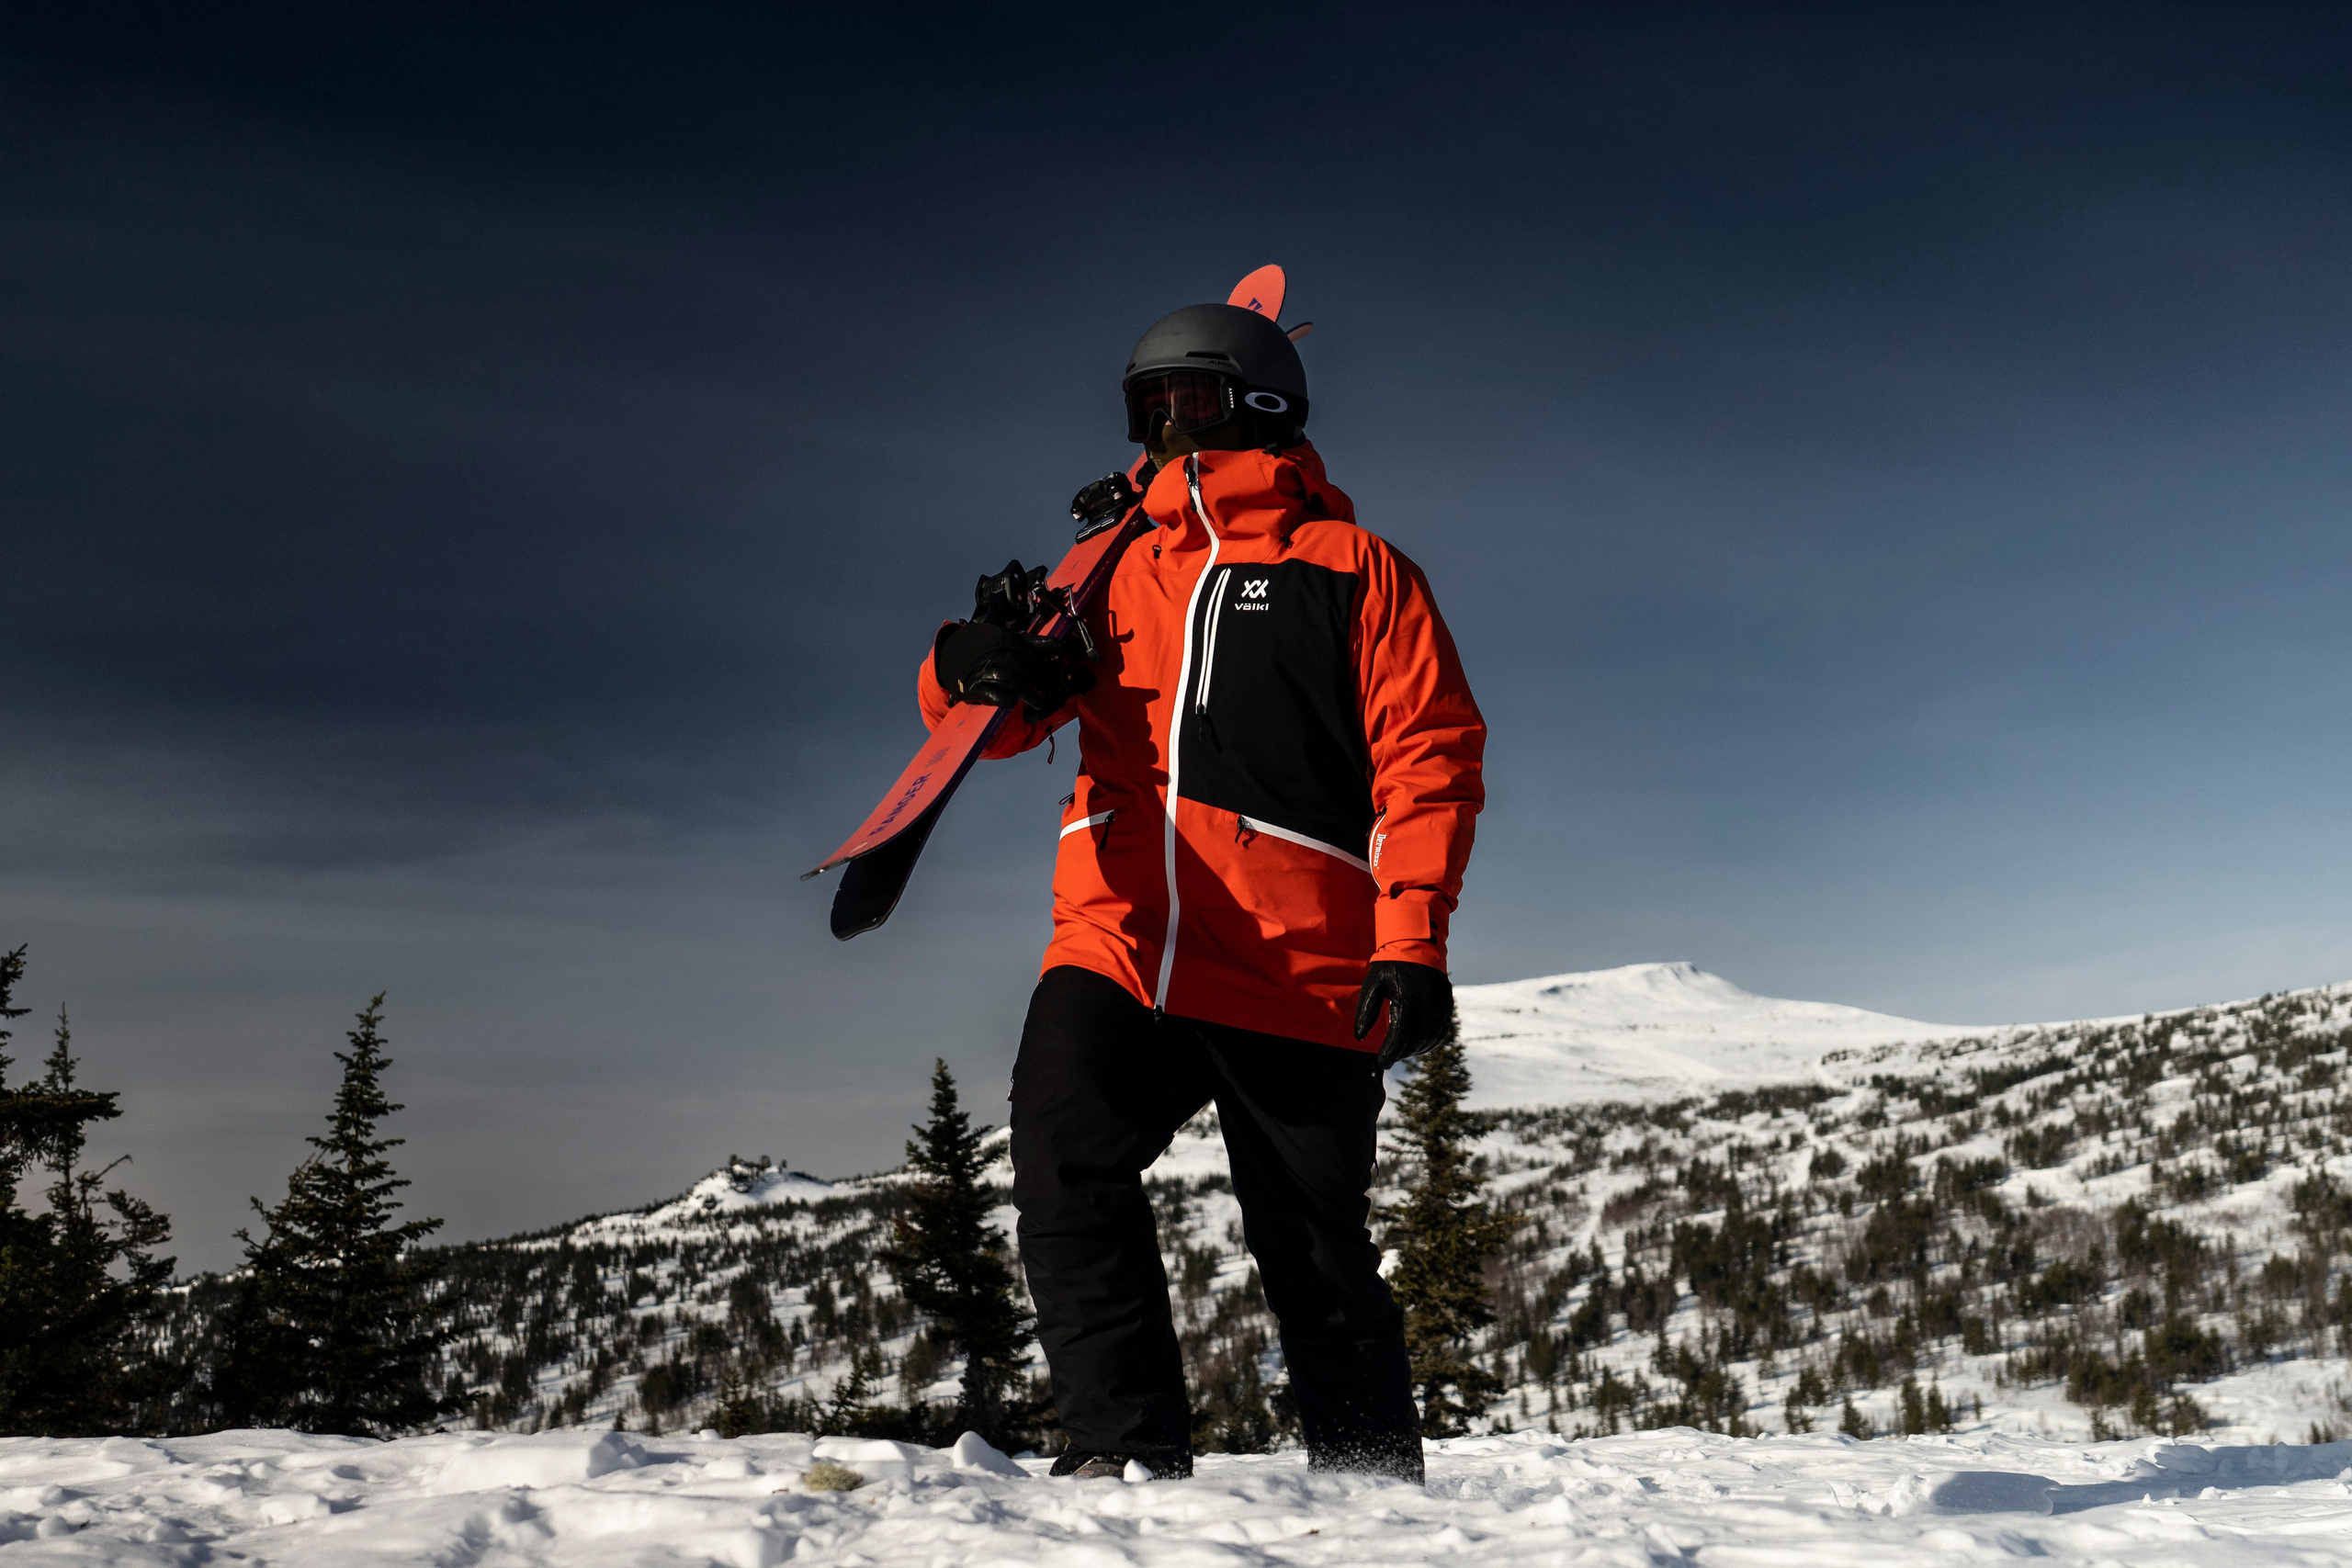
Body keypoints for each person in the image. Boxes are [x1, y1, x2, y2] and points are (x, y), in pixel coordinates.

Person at [917, 287, 1484, 1482]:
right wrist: (964, 664)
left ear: (1262, 406)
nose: (1162, 431)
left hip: (1301, 968)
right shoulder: (1111, 569)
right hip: (1121, 943)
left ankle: (1378, 1502)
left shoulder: (1358, 572)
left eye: (1187, 405)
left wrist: (1411, 945)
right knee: (1063, 1163)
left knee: (1319, 1259)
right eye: (1148, 408)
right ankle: (1125, 1462)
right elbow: (1004, 726)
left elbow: (1429, 764)